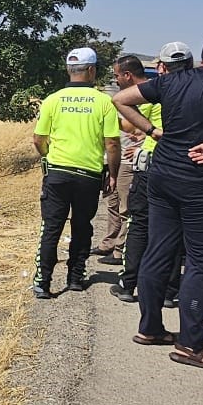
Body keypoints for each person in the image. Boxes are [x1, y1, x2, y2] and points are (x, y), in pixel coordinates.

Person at [113, 33, 203, 373]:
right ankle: (190, 345)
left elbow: (121, 99)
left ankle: (150, 327)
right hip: (202, 182)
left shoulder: (171, 81)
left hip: (163, 174)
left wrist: (151, 131)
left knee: (159, 250)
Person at [30, 47, 122, 298]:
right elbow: (112, 144)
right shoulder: (104, 102)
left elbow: (38, 139)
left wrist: (49, 156)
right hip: (88, 176)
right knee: (82, 227)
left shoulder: (53, 99)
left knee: (51, 228)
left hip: (57, 173)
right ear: (92, 70)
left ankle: (43, 282)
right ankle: (75, 277)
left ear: (69, 70)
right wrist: (112, 174)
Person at [113, 46, 185, 305]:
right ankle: (169, 289)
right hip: (178, 163)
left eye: (118, 76)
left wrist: (149, 132)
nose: (117, 81)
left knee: (139, 223)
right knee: (174, 227)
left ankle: (128, 282)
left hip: (151, 161)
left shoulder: (153, 91)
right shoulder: (192, 91)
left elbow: (130, 120)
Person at [99, 56, 149, 267]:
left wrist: (143, 142)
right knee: (112, 202)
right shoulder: (125, 95)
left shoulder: (149, 95)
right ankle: (109, 243)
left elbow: (152, 127)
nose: (115, 80)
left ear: (127, 75)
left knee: (126, 206)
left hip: (132, 160)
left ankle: (122, 250)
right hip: (116, 157)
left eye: (117, 75)